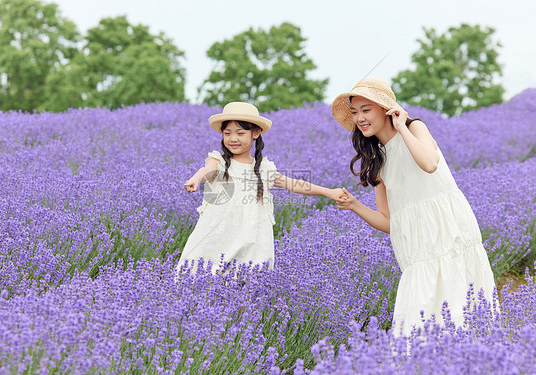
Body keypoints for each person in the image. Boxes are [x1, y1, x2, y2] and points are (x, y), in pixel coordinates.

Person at [331, 77, 496, 335]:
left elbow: (430, 164)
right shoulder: (377, 161)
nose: (360, 118)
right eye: (355, 113)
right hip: (416, 249)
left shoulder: (416, 128)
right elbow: (389, 222)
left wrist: (403, 128)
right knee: (416, 325)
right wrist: (354, 206)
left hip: (450, 233)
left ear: (386, 109)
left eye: (366, 110)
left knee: (464, 311)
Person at [178, 102, 345, 274]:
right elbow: (208, 171)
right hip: (218, 231)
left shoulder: (263, 169)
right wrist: (197, 178)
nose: (233, 139)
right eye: (227, 133)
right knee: (203, 272)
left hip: (251, 235)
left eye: (240, 133)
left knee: (247, 279)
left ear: (256, 133)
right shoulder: (219, 162)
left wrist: (329, 192)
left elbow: (294, 184)